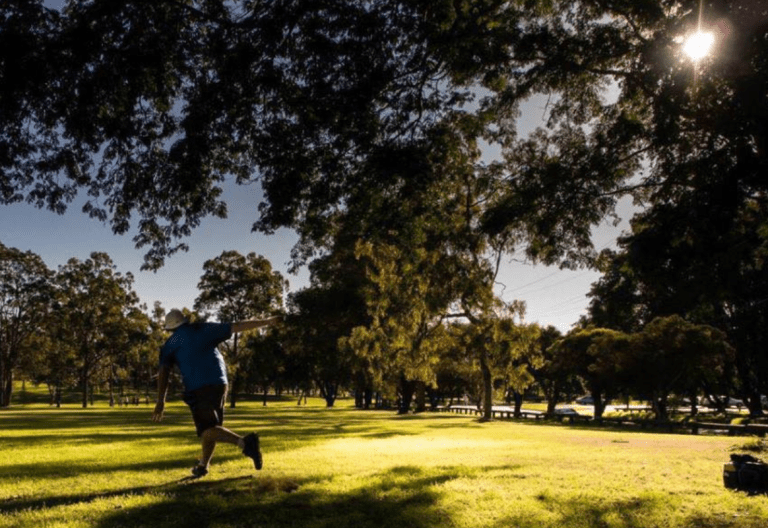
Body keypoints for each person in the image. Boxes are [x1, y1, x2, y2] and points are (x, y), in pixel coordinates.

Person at [151, 308, 280, 478]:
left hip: (199, 387)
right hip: (221, 383)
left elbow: (164, 374)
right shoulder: (203, 329)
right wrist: (268, 321)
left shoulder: (170, 345)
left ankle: (245, 443)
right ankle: (203, 465)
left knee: (207, 430)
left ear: (170, 329)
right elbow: (237, 326)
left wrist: (161, 401)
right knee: (212, 428)